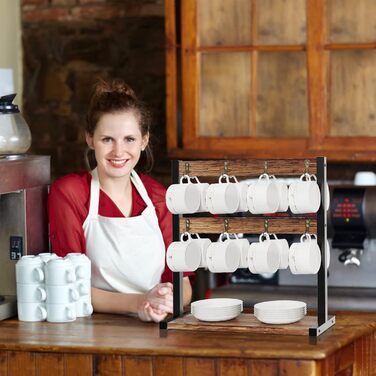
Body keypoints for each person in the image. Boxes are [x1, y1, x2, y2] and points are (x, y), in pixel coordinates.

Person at [48, 78, 193, 322]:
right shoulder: (69, 193)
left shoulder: (159, 197)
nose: (118, 152)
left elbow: (183, 283)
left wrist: (166, 302)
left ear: (144, 140)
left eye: (129, 139)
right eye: (107, 139)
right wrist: (140, 302)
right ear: (89, 139)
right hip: (94, 329)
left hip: (156, 327)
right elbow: (69, 286)